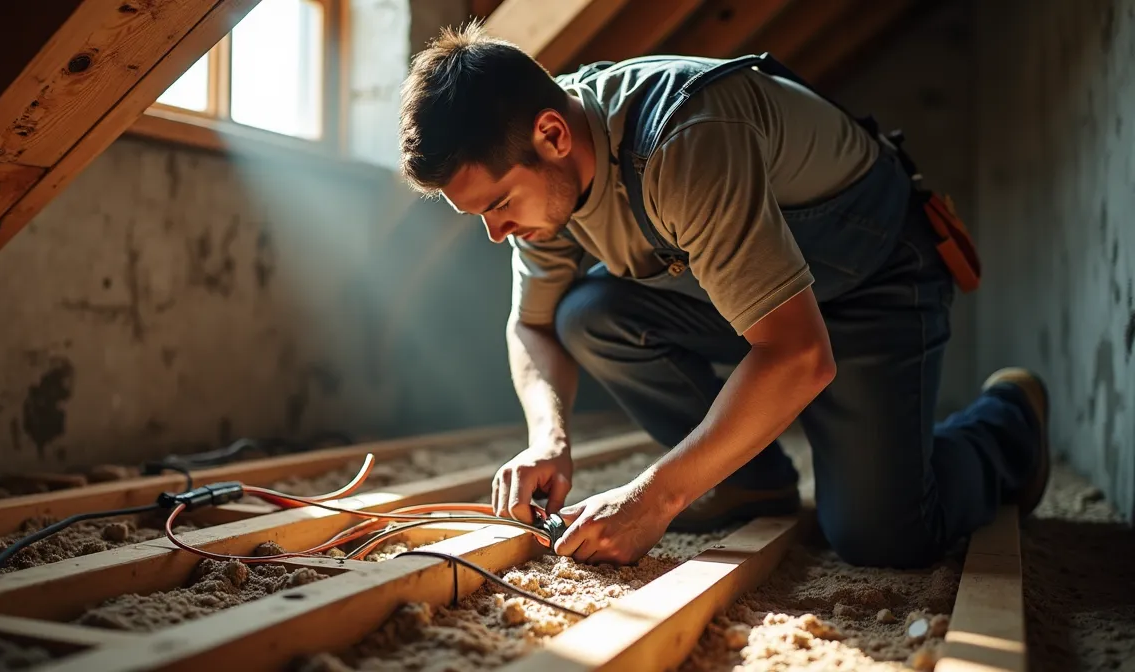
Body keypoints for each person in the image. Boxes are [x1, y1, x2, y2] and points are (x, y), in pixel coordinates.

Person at [395, 22, 1049, 568]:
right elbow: (531, 327)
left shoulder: (682, 144)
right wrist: (548, 439)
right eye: (480, 214)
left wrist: (655, 499)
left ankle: (1008, 420)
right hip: (761, 299)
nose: (496, 232)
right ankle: (750, 481)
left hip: (872, 282)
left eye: (501, 204)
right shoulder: (543, 179)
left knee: (885, 538)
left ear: (554, 136)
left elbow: (798, 356)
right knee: (587, 314)